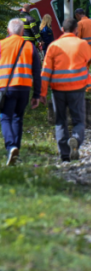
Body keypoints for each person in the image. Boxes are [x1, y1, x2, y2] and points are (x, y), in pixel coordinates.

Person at [40, 17, 91, 162]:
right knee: (79, 120)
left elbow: (45, 71)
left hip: (58, 89)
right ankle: (75, 139)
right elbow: (88, 59)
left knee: (60, 120)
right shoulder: (82, 44)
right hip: (77, 87)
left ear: (62, 30)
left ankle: (64, 155)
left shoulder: (53, 46)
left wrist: (42, 92)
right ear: (76, 30)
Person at [0, 19, 42, 166]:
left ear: (8, 30)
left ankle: (11, 146)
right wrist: (37, 94)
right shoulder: (29, 46)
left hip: (5, 87)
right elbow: (37, 72)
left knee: (5, 117)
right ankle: (15, 153)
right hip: (24, 87)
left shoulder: (1, 45)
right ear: (22, 31)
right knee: (18, 118)